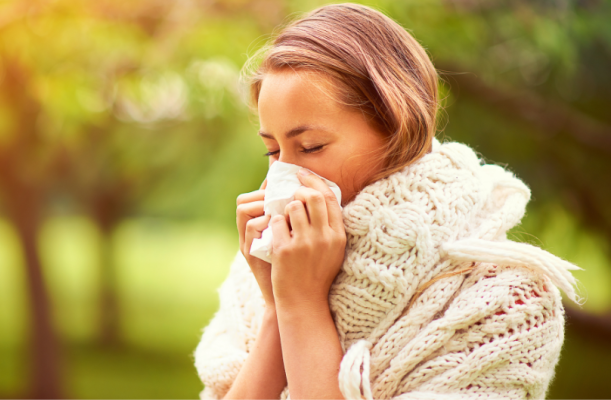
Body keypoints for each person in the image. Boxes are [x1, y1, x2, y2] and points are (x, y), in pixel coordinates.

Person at [194, 3, 581, 399]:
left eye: (310, 147)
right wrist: (278, 309)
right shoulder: (263, 272)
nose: (282, 179)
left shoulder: (507, 300)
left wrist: (305, 308)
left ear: (397, 128)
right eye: (273, 151)